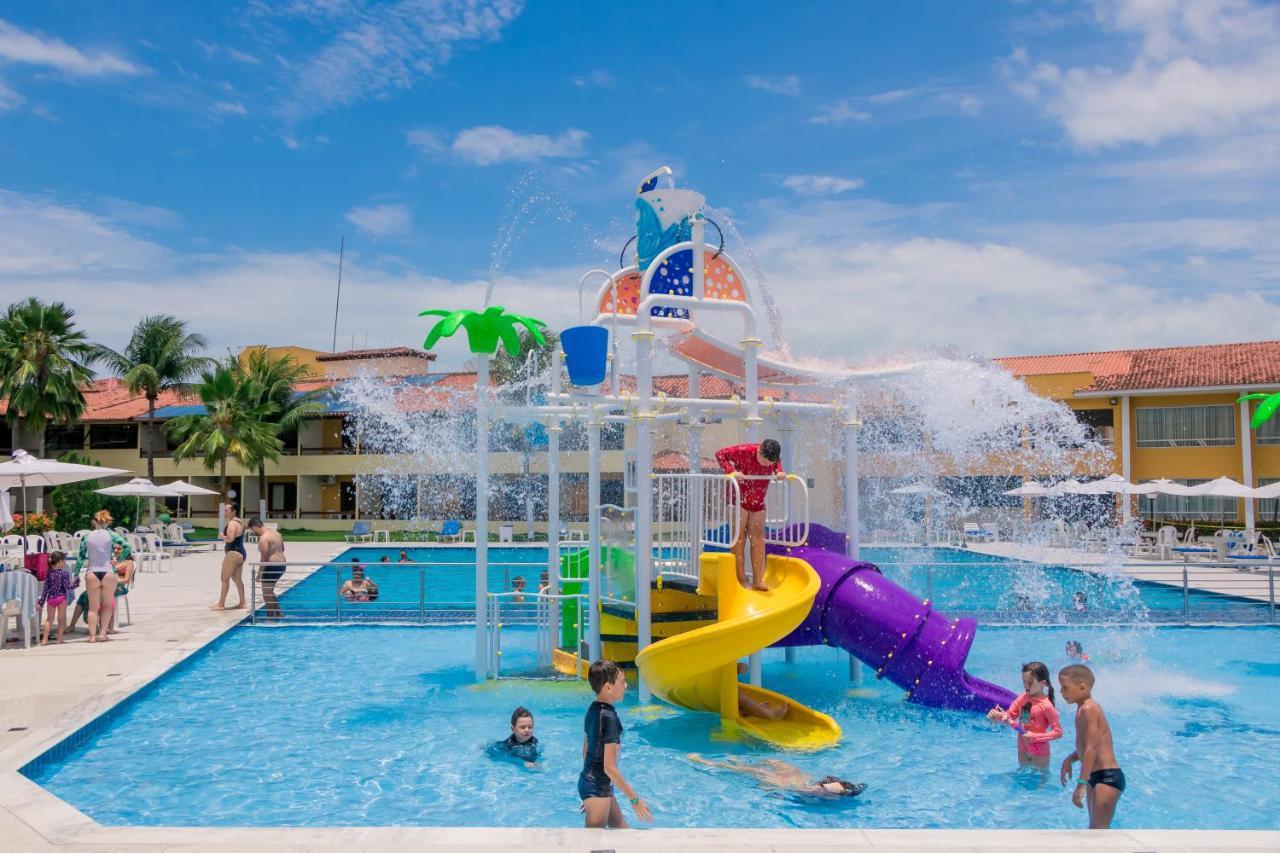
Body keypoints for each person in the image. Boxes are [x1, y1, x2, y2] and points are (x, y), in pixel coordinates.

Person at [578, 660, 651, 828]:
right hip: (597, 787)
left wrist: (590, 794)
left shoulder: (593, 710)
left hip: (596, 785)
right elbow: (609, 767)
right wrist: (634, 800)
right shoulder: (609, 718)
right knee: (594, 842)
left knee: (622, 832)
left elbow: (586, 749)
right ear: (609, 687)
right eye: (622, 682)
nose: (625, 686)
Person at [1058, 664, 1124, 829]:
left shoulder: (1089, 709)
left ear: (1082, 687)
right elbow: (1088, 745)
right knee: (1094, 831)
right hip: (1095, 777)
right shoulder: (1081, 709)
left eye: (1065, 687)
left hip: (1107, 778)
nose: (1061, 692)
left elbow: (1092, 749)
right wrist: (1070, 759)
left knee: (1097, 833)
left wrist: (1081, 783)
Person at [715, 439, 784, 591]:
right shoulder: (745, 450)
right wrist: (730, 471)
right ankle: (741, 579)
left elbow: (776, 460)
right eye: (765, 462)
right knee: (739, 538)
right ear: (759, 451)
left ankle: (758, 580)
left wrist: (778, 470)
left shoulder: (772, 458)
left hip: (757, 499)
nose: (767, 466)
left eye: (770, 464)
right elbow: (720, 454)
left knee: (758, 538)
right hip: (737, 497)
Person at [987, 661, 1063, 769]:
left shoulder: (1046, 705)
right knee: (1023, 779)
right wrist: (997, 716)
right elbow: (1009, 717)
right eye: (1024, 682)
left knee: (1040, 782)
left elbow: (1058, 732)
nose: (1026, 686)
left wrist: (1035, 737)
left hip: (1039, 751)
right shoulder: (1023, 698)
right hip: (1022, 747)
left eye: (1030, 683)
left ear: (1042, 683)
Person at [687, 754, 865, 798]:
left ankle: (733, 759)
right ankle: (705, 761)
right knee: (755, 769)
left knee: (762, 768)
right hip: (789, 781)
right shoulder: (817, 788)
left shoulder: (818, 788)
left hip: (794, 781)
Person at [76, 510, 128, 643]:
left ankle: (92, 636)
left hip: (92, 572)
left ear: (94, 521)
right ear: (106, 521)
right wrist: (118, 559)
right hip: (108, 572)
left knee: (93, 607)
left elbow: (80, 558)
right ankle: (102, 633)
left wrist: (76, 574)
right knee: (107, 605)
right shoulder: (112, 535)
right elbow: (126, 547)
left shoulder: (86, 537)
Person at [69, 543, 132, 636]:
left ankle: (98, 626)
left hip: (119, 587)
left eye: (119, 549)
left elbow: (126, 580)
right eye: (114, 548)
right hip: (107, 584)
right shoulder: (112, 560)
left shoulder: (128, 563)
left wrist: (113, 582)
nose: (116, 550)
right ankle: (72, 625)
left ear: (125, 550)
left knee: (98, 596)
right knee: (85, 595)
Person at [250, 518, 286, 621]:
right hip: (282, 565)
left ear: (255, 526)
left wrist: (259, 574)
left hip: (272, 566)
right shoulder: (276, 533)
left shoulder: (264, 538)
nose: (253, 532)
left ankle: (270, 618)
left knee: (266, 593)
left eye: (253, 529)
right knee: (269, 591)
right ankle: (279, 613)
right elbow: (282, 549)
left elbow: (264, 557)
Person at [212, 502, 246, 611]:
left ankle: (221, 604)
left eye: (227, 510)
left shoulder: (232, 524)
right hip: (240, 552)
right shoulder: (239, 522)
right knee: (237, 579)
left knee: (224, 579)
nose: (225, 512)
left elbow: (230, 539)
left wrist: (223, 536)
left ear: (234, 511)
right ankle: (242, 603)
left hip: (233, 553)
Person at [38, 551, 75, 645]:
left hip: (51, 599)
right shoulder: (65, 573)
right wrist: (76, 583)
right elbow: (68, 587)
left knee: (49, 619)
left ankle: (44, 640)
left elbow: (45, 589)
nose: (65, 563)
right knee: (61, 619)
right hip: (61, 598)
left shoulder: (49, 574)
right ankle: (59, 639)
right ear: (60, 561)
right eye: (64, 561)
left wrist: (41, 602)